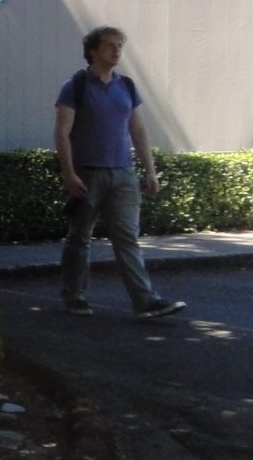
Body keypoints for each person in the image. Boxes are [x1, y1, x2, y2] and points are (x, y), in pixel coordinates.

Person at [53, 26, 185, 320]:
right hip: (87, 174)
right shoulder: (75, 86)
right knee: (79, 238)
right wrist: (69, 173)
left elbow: (137, 129)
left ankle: (146, 301)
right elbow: (62, 131)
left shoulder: (126, 85)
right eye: (110, 45)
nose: (116, 51)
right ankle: (74, 296)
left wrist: (150, 170)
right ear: (93, 51)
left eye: (119, 46)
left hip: (123, 174)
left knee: (127, 239)